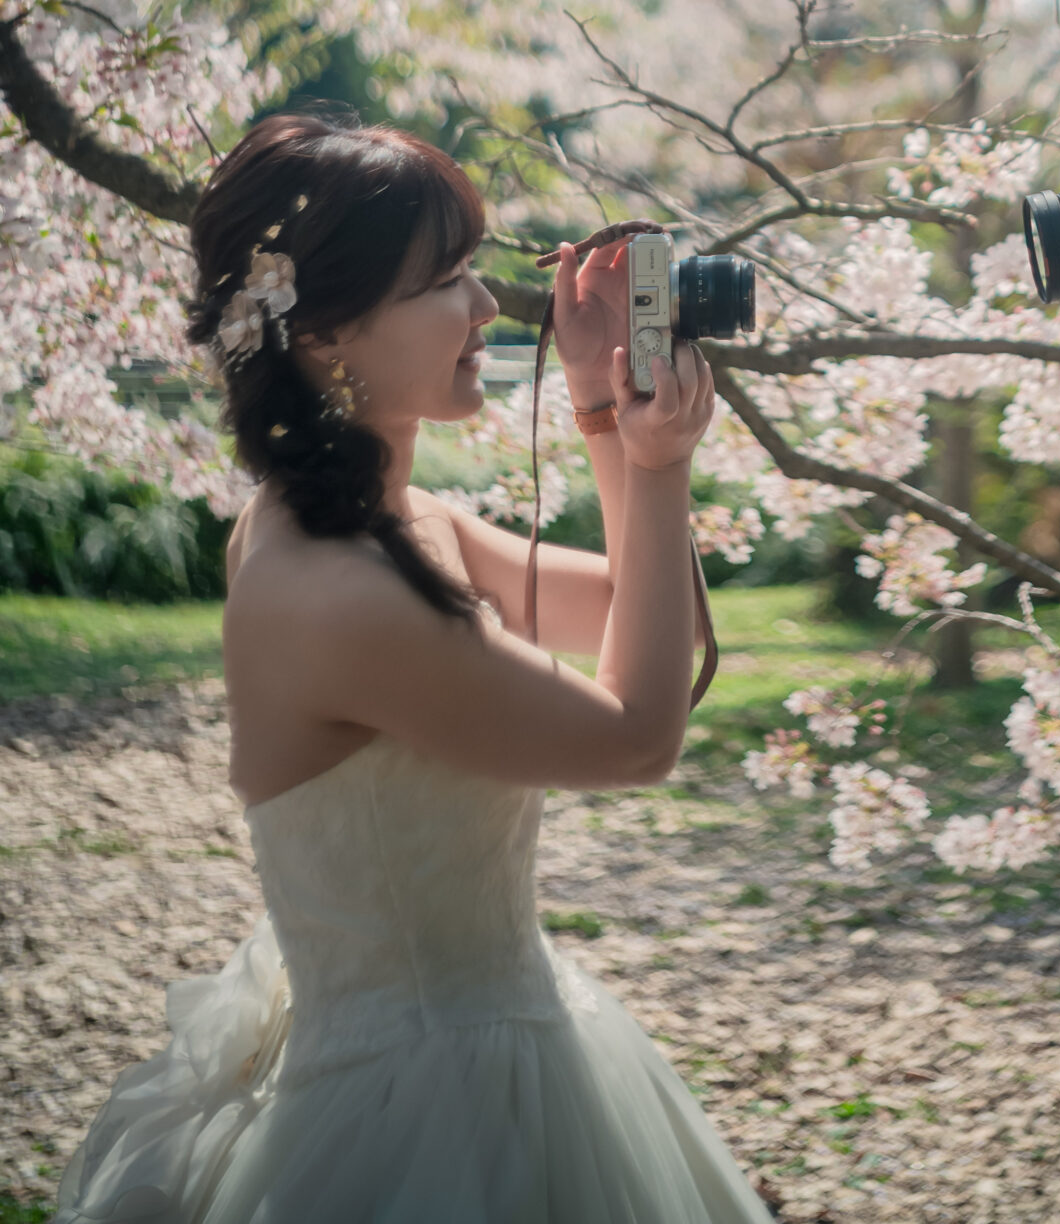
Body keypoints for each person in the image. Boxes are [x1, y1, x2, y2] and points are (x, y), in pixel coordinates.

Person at [56, 110, 771, 1224]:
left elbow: (646, 616)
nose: (488, 307)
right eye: (447, 279)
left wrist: (600, 415)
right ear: (329, 330)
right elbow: (638, 734)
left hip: (483, 1035)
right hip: (427, 1103)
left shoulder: (393, 524)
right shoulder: (340, 593)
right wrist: (662, 461)